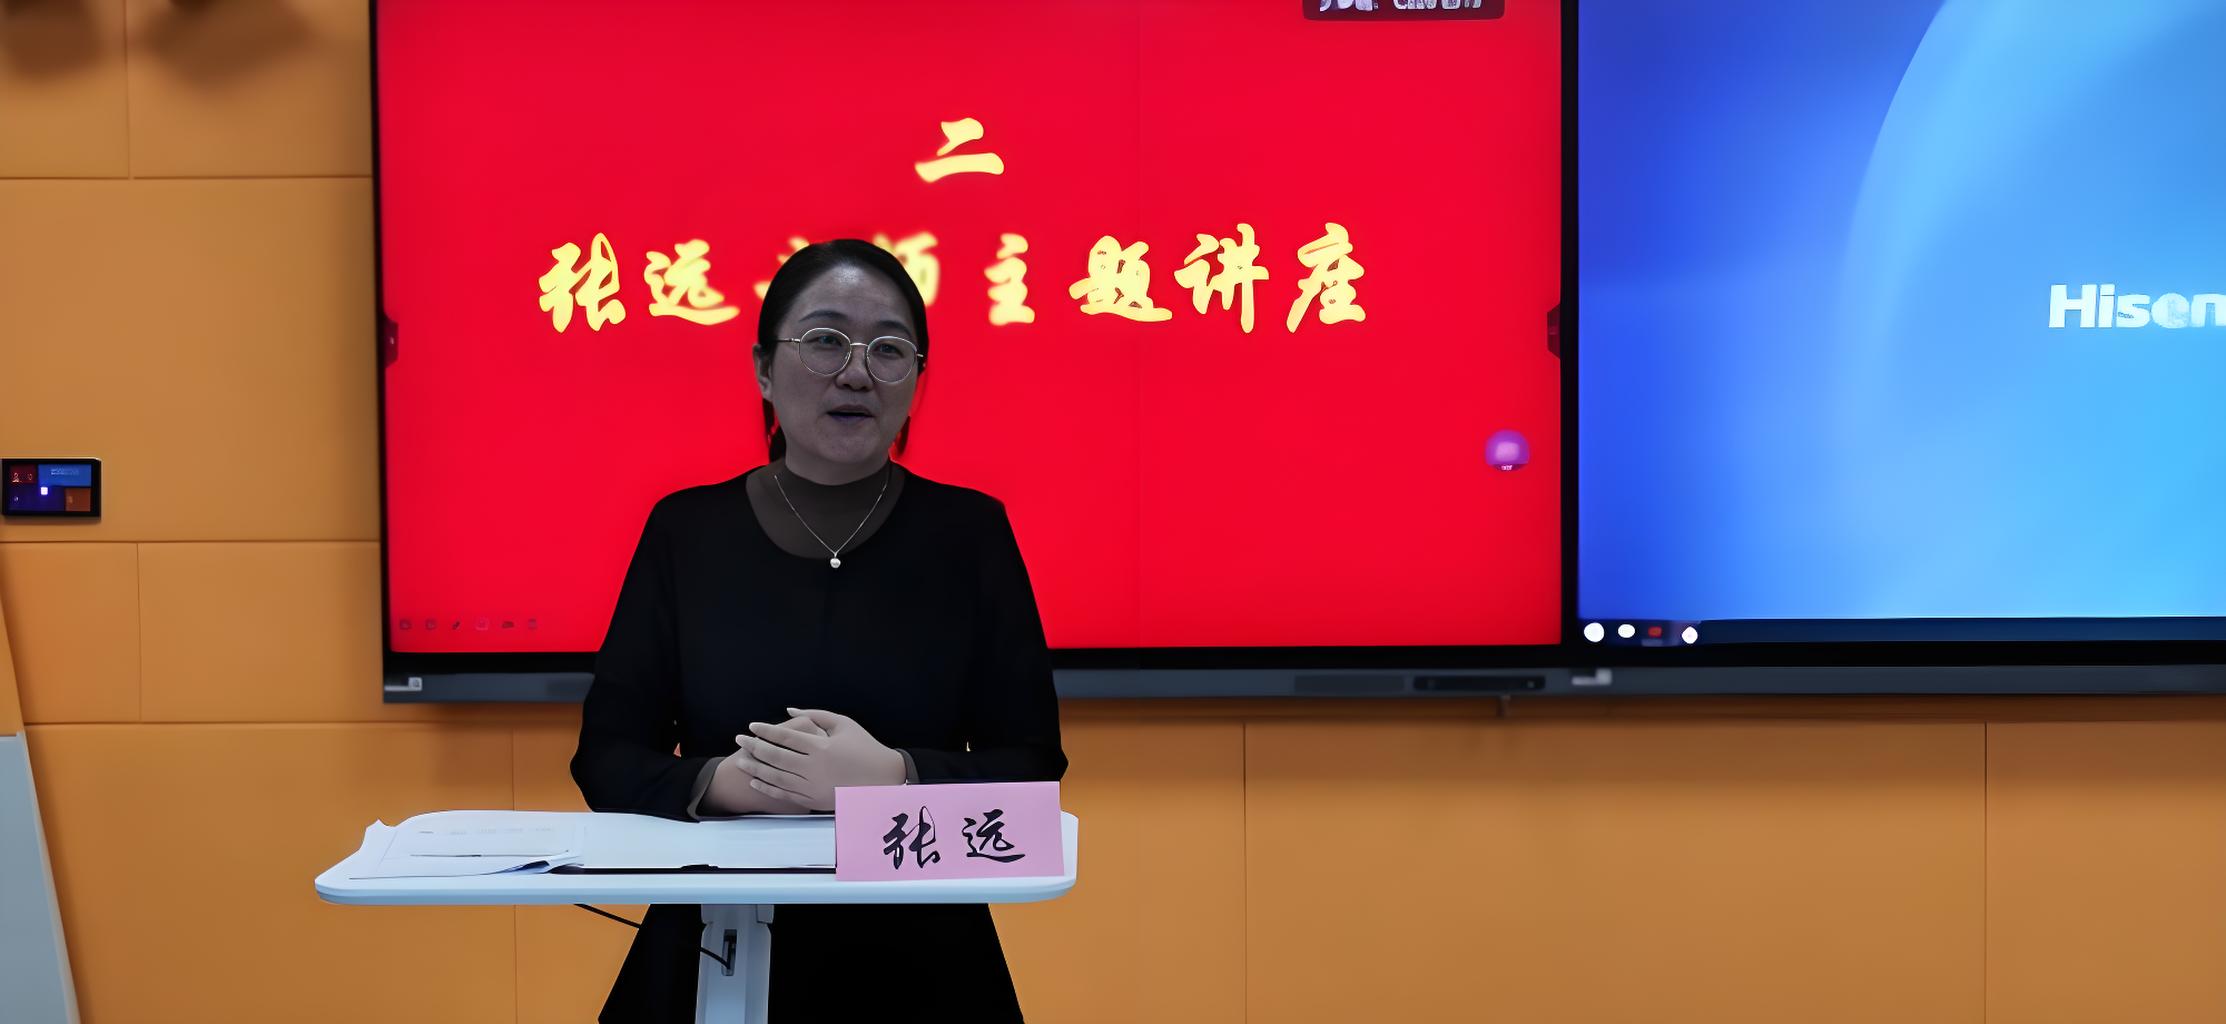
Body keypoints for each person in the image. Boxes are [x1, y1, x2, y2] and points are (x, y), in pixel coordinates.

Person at [571, 239, 1067, 1022]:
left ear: (916, 380)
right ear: (764, 370)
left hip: (925, 955)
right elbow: (605, 756)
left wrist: (892, 779)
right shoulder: (686, 532)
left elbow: (1032, 767)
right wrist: (724, 786)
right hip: (717, 943)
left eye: (889, 349)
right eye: (826, 339)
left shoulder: (969, 534)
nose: (857, 372)